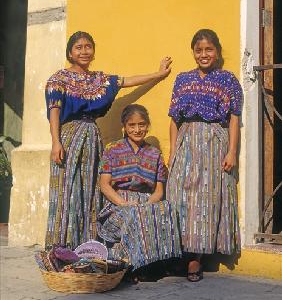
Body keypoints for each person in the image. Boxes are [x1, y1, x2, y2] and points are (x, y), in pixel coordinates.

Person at [45, 31, 172, 250]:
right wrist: (56, 142)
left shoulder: (100, 80)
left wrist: (158, 75)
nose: (84, 51)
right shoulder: (59, 79)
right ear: (70, 52)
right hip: (68, 136)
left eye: (88, 46)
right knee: (66, 189)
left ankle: (85, 247)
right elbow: (54, 111)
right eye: (79, 47)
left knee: (89, 191)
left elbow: (128, 81)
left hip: (91, 137)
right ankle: (60, 247)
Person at [166, 29, 243, 282]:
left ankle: (195, 260)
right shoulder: (182, 79)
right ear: (193, 52)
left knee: (205, 203)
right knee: (179, 197)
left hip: (213, 142)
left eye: (209, 49)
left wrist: (232, 151)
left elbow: (233, 119)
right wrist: (172, 151)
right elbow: (174, 120)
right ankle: (180, 253)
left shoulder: (227, 80)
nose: (204, 54)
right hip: (186, 140)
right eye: (199, 50)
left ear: (217, 52)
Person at [97, 104, 182, 276]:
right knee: (133, 215)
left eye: (141, 124)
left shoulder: (155, 154)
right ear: (124, 126)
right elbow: (104, 185)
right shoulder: (112, 150)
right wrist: (125, 203)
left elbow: (158, 191)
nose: (137, 129)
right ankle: (131, 266)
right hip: (117, 204)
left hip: (146, 202)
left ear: (147, 125)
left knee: (168, 209)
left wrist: (146, 205)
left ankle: (157, 263)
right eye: (132, 125)